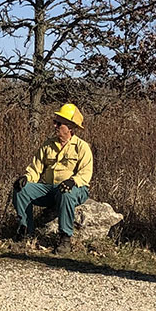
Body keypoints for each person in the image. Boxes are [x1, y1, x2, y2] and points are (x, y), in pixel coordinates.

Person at [12, 103, 94, 255]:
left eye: (59, 123)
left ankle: (65, 238)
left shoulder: (82, 147)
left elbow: (86, 174)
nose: (54, 125)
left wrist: (72, 181)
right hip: (50, 188)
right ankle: (25, 232)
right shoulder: (47, 145)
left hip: (75, 189)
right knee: (21, 190)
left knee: (66, 193)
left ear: (70, 127)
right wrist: (26, 177)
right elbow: (35, 169)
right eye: (55, 121)